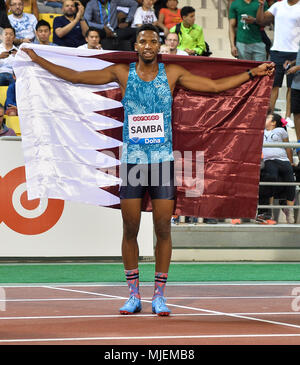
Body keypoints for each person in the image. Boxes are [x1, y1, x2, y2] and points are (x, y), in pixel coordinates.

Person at [22, 24, 274, 316]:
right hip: (133, 163)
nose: (149, 46)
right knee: (130, 228)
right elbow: (78, 77)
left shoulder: (173, 73)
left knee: (163, 228)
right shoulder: (121, 72)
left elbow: (215, 87)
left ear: (160, 46)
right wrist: (38, 60)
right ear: (137, 46)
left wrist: (251, 74)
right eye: (143, 41)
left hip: (162, 162)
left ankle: (159, 295)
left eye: (154, 41)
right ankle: (132, 294)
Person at [256, 0, 300, 128]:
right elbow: (261, 20)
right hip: (277, 51)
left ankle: (287, 117)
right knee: (274, 85)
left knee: (291, 88)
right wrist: (260, 5)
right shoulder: (278, 5)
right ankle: (270, 115)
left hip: (295, 52)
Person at [257, 112, 296, 224]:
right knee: (271, 178)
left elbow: (287, 147)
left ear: (274, 123)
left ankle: (290, 210)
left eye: (268, 118)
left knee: (290, 182)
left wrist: (291, 161)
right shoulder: (261, 131)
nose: (265, 119)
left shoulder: (281, 131)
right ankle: (269, 211)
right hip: (269, 160)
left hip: (283, 160)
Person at [284, 46, 300, 163]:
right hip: (296, 84)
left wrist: (298, 67)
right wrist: (293, 63)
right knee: (297, 114)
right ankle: (299, 143)